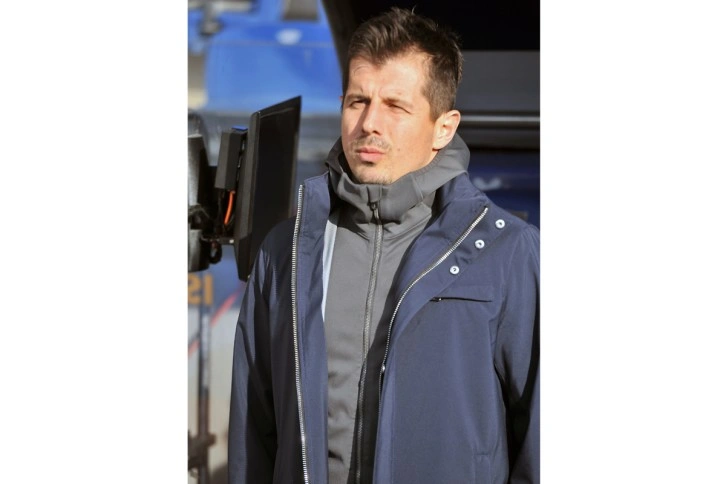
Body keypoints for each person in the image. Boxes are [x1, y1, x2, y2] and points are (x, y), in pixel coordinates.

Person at [228, 7, 539, 484]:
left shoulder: (508, 253)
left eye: (395, 106)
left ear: (444, 127)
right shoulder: (285, 252)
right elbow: (254, 432)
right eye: (358, 101)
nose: (370, 123)